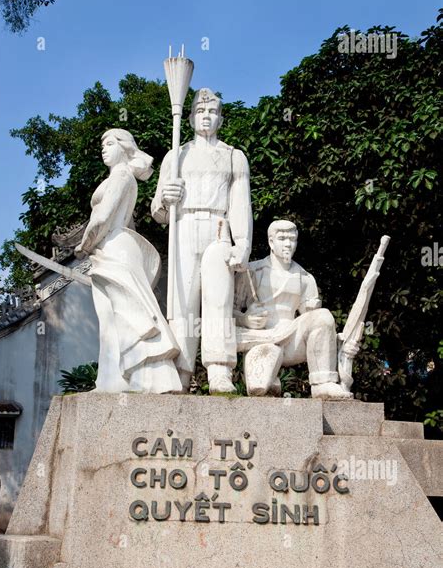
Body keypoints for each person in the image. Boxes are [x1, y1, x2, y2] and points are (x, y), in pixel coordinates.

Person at [151, 88, 253, 393]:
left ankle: (220, 370)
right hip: (182, 228)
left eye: (212, 112)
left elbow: (239, 203)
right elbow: (158, 211)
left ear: (221, 117)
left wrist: (243, 243)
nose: (206, 117)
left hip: (218, 227)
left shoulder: (234, 156)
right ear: (191, 117)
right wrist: (165, 200)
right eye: (199, 112)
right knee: (182, 304)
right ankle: (180, 372)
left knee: (218, 300)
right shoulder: (176, 155)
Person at [75, 128, 182, 394]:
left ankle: (128, 380)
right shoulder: (122, 177)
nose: (103, 149)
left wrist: (84, 244)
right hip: (113, 248)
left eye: (109, 143)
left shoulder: (122, 175)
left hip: (112, 247)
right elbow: (128, 223)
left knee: (121, 316)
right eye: (103, 144)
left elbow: (103, 217)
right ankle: (114, 380)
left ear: (124, 147)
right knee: (114, 316)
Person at [234, 220, 354, 399]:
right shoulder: (252, 271)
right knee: (259, 389)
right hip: (259, 339)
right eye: (282, 238)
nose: (288, 244)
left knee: (323, 316)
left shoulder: (305, 278)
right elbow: (225, 312)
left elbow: (316, 327)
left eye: (292, 239)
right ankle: (271, 378)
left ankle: (323, 383)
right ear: (271, 242)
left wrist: (341, 344)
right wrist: (245, 319)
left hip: (291, 339)